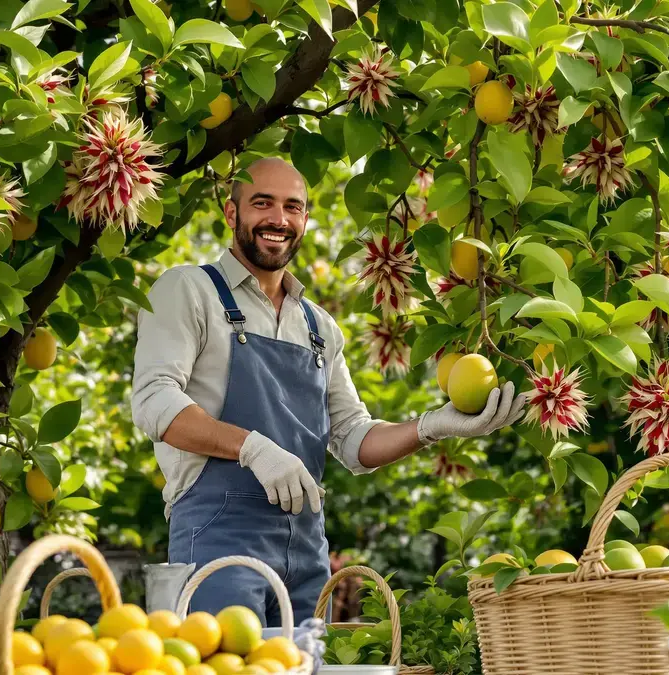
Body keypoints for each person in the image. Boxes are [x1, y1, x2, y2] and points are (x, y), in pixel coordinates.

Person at [130, 156, 526, 626]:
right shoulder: (189, 290)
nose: (278, 219)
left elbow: (354, 441)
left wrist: (432, 426)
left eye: (292, 207)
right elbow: (155, 401)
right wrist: (252, 449)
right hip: (219, 539)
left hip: (306, 549)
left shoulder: (319, 327)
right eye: (262, 203)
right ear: (232, 213)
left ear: (305, 220)